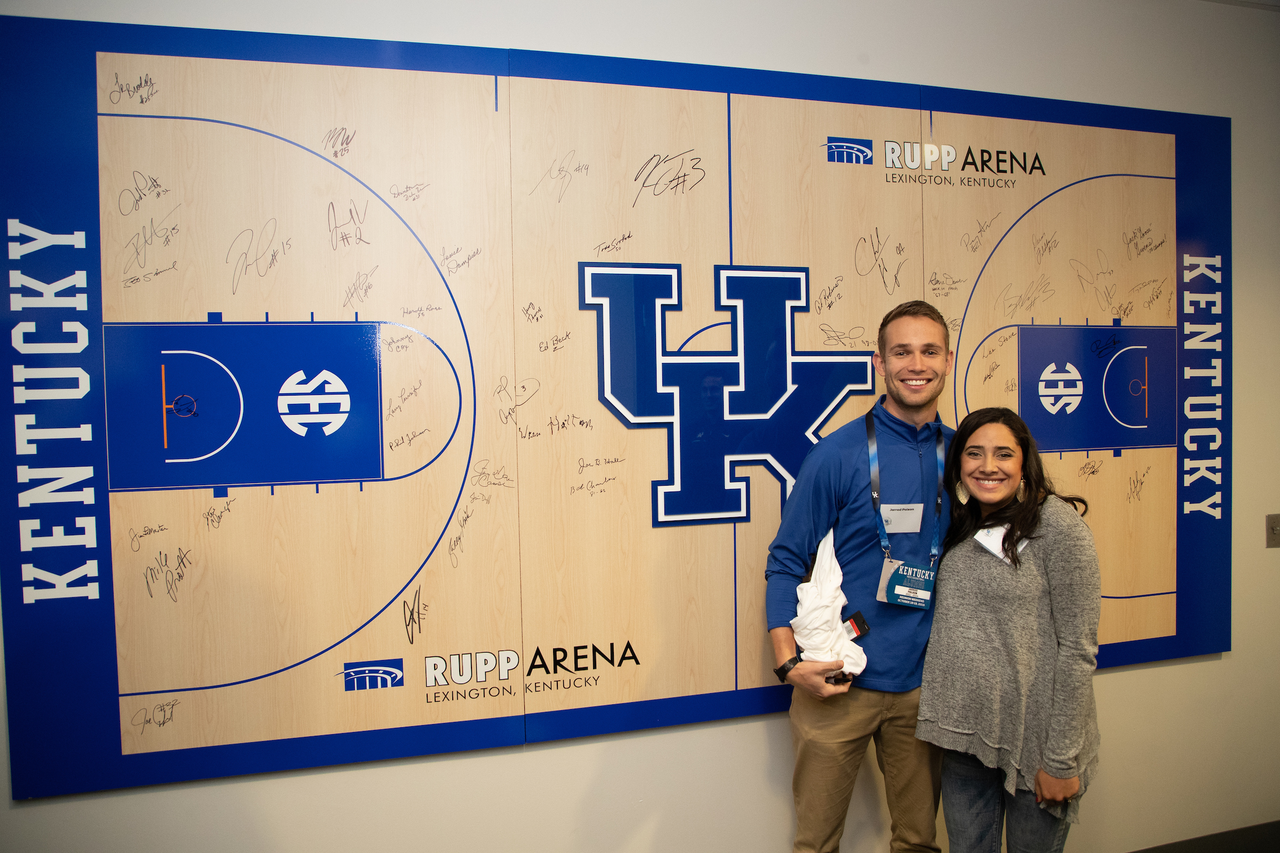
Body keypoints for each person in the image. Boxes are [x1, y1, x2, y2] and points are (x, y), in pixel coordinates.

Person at [766, 300, 955, 853]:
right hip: (838, 683)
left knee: (918, 841)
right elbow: (786, 560)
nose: (915, 364)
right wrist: (788, 664)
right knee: (816, 843)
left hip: (926, 687)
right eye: (901, 351)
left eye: (928, 350)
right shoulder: (840, 453)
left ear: (947, 359)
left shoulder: (967, 454)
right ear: (879, 361)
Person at [916, 407, 1100, 853]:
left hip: (1036, 740)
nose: (988, 466)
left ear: (1024, 462)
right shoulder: (959, 523)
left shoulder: (1058, 528)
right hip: (965, 735)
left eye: (1003, 454)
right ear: (959, 463)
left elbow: (1078, 650)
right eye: (974, 453)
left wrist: (1060, 759)